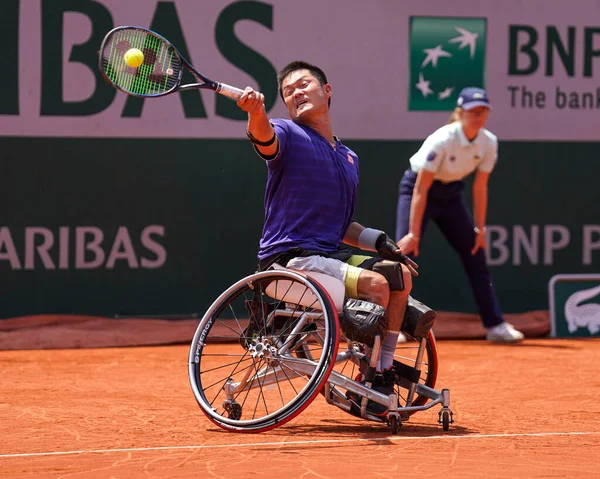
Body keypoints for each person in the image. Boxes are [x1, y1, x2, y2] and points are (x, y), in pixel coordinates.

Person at [236, 61, 418, 416]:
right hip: (288, 260)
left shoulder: (349, 157)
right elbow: (264, 137)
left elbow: (343, 225)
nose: (296, 92)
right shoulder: (287, 133)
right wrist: (255, 112)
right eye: (288, 92)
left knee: (401, 277)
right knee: (375, 284)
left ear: (327, 91)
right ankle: (371, 375)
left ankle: (382, 369)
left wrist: (381, 243)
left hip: (328, 255)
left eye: (303, 84)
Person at [395, 87, 524, 342]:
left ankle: (495, 325)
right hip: (419, 190)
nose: (479, 115)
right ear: (460, 112)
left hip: (451, 194)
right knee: (402, 257)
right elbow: (421, 188)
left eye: (483, 110)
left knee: (476, 253)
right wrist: (414, 233)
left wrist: (480, 230)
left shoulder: (488, 142)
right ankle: (395, 326)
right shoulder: (442, 139)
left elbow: (480, 187)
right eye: (473, 111)